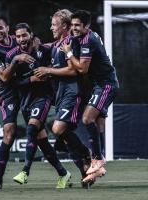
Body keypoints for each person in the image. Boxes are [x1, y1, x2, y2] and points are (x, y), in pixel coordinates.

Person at [5, 23, 71, 189]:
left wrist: (49, 70)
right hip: (26, 102)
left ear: (31, 35)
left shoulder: (43, 50)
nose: (22, 39)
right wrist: (29, 78)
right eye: (18, 36)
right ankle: (63, 173)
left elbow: (57, 64)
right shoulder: (12, 56)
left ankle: (25, 172)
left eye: (24, 35)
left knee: (31, 129)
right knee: (42, 142)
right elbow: (11, 83)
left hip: (43, 97)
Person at [34, 9, 92, 188]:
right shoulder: (56, 44)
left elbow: (72, 70)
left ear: (65, 26)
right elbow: (47, 49)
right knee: (64, 138)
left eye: (54, 25)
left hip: (72, 93)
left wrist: (48, 70)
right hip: (60, 95)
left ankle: (87, 153)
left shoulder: (70, 42)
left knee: (58, 129)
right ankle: (85, 173)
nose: (51, 27)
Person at [60, 10, 119, 182]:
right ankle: (97, 168)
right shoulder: (87, 37)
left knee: (87, 119)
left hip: (106, 85)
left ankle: (98, 159)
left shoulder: (88, 40)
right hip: (99, 85)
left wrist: (68, 53)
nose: (74, 28)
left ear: (87, 26)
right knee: (99, 126)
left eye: (77, 25)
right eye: (72, 25)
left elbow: (82, 69)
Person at [0, 17, 40, 189]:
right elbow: (4, 76)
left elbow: (33, 44)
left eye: (0, 28)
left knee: (39, 132)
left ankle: (62, 172)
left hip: (27, 88)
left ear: (7, 28)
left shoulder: (19, 39)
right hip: (9, 93)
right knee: (9, 133)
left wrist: (35, 42)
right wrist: (16, 59)